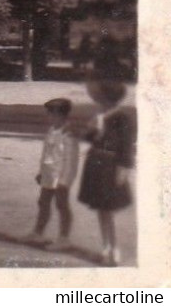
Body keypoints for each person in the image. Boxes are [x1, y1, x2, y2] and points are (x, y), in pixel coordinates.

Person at [75, 75, 135, 265]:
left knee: (110, 210)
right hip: (96, 164)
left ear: (109, 99)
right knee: (101, 209)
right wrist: (91, 131)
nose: (98, 101)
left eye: (100, 98)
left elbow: (126, 147)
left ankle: (115, 249)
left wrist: (123, 168)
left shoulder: (122, 118)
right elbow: (89, 140)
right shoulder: (99, 117)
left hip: (111, 166)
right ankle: (105, 247)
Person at [29, 97, 80, 246]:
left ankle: (64, 238)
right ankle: (38, 233)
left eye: (51, 114)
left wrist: (65, 181)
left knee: (61, 205)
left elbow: (71, 160)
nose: (49, 117)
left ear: (61, 115)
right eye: (48, 114)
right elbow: (46, 154)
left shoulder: (68, 134)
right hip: (49, 174)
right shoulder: (52, 131)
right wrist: (41, 172)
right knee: (43, 202)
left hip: (61, 177)